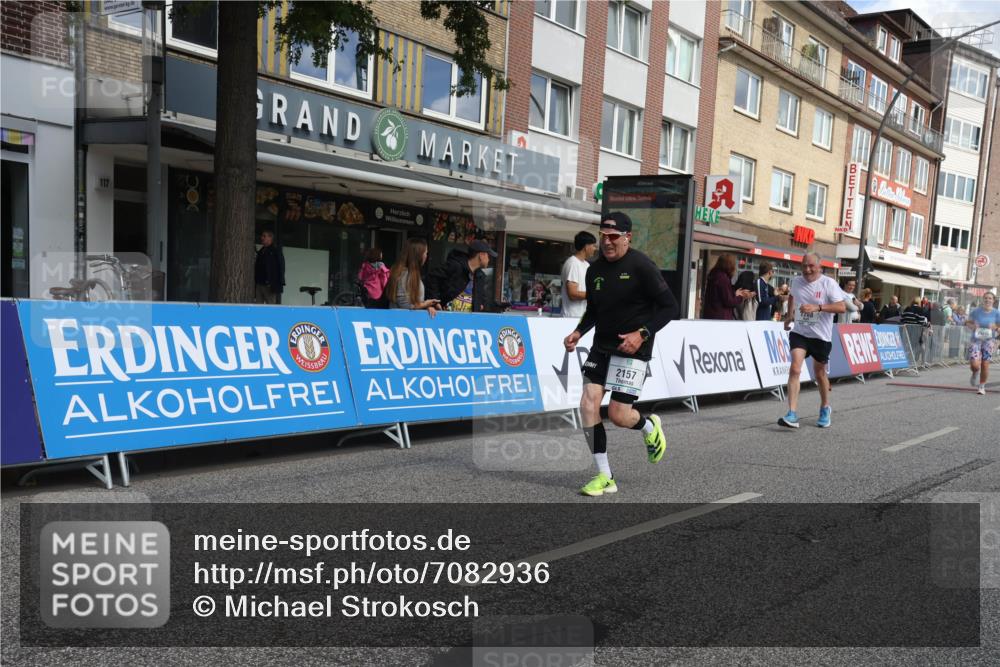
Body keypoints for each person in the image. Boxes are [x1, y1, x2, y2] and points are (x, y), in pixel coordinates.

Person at [563, 212, 679, 497]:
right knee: (588, 405)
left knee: (618, 414)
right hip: (601, 347)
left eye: (613, 237)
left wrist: (642, 334)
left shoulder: (642, 266)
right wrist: (578, 332)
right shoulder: (594, 270)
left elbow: (670, 307)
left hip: (633, 349)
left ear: (628, 237)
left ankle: (648, 425)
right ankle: (605, 476)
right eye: (603, 236)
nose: (607, 242)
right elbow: (594, 310)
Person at [778, 253, 846, 429]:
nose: (807, 270)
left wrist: (818, 307)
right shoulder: (797, 281)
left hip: (820, 336)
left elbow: (841, 307)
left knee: (820, 373)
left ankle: (825, 407)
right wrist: (789, 315)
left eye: (811, 266)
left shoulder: (828, 283)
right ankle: (792, 414)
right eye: (804, 266)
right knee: (795, 368)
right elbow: (792, 295)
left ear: (819, 266)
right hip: (800, 332)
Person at [427, 239, 497, 312]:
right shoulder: (455, 265)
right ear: (481, 255)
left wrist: (480, 304)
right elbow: (433, 277)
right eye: (488, 255)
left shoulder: (480, 276)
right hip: (445, 317)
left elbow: (481, 298)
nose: (489, 259)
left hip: (468, 320)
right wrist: (434, 301)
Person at [386, 238, 439, 316]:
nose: (426, 256)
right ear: (418, 255)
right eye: (425, 253)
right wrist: (425, 304)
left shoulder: (409, 273)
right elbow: (405, 306)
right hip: (401, 322)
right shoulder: (404, 274)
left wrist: (426, 307)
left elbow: (413, 304)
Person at [966, 291, 999, 395]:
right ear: (982, 299)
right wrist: (973, 326)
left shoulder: (997, 313)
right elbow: (967, 322)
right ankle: (975, 372)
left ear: (993, 301)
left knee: (985, 364)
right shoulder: (976, 311)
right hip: (976, 340)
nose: (988, 300)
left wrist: (996, 328)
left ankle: (981, 386)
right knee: (975, 365)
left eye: (990, 298)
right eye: (986, 298)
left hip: (989, 341)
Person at [701, 253, 753, 319]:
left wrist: (735, 293)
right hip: (721, 317)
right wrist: (742, 296)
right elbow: (729, 301)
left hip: (711, 314)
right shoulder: (722, 278)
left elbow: (720, 296)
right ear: (730, 265)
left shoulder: (714, 274)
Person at [560, 231, 598, 319]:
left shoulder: (586, 265)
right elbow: (572, 294)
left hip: (582, 317)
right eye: (593, 245)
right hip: (572, 317)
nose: (595, 248)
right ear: (586, 246)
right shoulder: (573, 263)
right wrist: (595, 295)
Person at [254, 229, 285, 304]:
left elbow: (281, 267)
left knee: (270, 306)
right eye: (262, 236)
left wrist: (277, 283)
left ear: (270, 238)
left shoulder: (275, 251)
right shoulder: (262, 251)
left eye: (264, 236)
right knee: (258, 306)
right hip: (259, 284)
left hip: (269, 284)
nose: (262, 238)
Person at [902, 297, 930, 365]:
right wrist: (927, 325)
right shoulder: (920, 309)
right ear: (919, 302)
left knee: (908, 345)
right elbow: (921, 321)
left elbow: (902, 319)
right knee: (921, 344)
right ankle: (923, 361)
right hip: (917, 330)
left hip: (907, 330)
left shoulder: (907, 308)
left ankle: (908, 360)